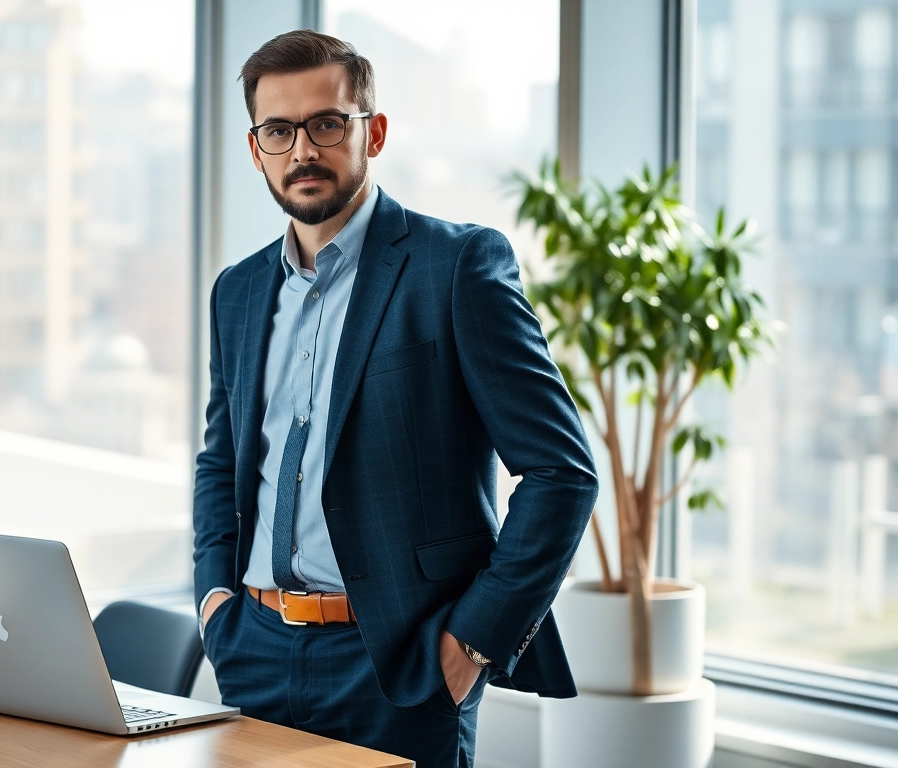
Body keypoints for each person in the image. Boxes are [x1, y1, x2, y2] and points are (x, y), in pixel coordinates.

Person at [192, 29, 600, 767]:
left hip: (398, 664)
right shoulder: (238, 291)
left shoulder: (456, 268)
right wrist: (215, 606)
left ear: (371, 132)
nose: (302, 151)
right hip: (253, 651)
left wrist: (469, 642)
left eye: (326, 124)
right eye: (278, 131)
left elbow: (561, 473)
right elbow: (222, 465)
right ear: (256, 148)